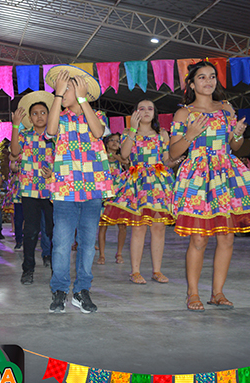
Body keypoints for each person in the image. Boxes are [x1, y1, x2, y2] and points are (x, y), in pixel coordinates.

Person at [168, 61, 250, 312]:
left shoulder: (226, 108)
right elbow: (173, 152)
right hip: (198, 176)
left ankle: (218, 293)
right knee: (199, 238)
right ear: (191, 84)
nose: (209, 81)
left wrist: (238, 133)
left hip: (225, 173)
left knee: (226, 237)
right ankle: (193, 293)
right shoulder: (184, 114)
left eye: (212, 76)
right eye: (202, 77)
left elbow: (234, 146)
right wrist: (190, 135)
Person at [45, 65, 114, 314]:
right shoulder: (60, 116)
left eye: (68, 88)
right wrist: (57, 95)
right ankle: (59, 289)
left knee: (87, 243)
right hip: (65, 189)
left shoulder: (98, 115)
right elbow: (50, 131)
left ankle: (82, 290)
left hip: (93, 189)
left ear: (81, 90)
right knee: (62, 243)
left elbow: (98, 132)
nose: (63, 92)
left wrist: (83, 100)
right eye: (60, 88)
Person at [102, 100, 183, 284]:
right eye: (141, 108)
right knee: (138, 227)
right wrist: (132, 129)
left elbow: (166, 160)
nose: (146, 111)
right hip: (138, 182)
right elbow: (124, 155)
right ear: (135, 113)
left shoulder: (162, 134)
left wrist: (174, 161)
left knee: (159, 227)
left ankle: (157, 271)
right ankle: (135, 271)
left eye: (150, 108)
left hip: (158, 183)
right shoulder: (128, 133)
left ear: (155, 113)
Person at [10, 91, 55, 285]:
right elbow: (14, 152)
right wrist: (15, 125)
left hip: (52, 190)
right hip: (29, 190)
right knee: (30, 231)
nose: (39, 116)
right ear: (29, 118)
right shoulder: (24, 135)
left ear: (49, 115)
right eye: (35, 113)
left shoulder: (55, 136)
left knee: (53, 231)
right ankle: (28, 270)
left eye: (43, 112)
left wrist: (53, 172)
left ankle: (56, 268)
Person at [97, 133, 128, 266]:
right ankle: (102, 255)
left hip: (119, 196)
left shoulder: (121, 159)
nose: (115, 143)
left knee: (122, 226)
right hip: (105, 196)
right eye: (112, 140)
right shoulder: (101, 157)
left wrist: (115, 156)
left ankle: (119, 253)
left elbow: (126, 163)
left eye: (118, 141)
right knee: (103, 226)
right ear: (106, 143)